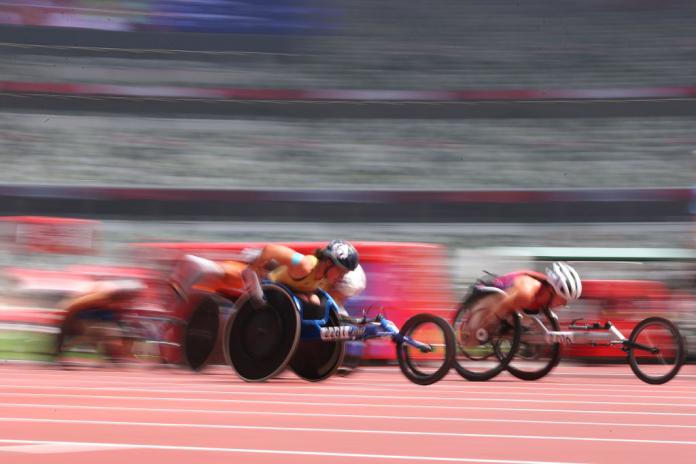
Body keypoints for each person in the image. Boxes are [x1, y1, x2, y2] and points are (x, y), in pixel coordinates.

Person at [463, 261, 582, 342]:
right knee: (471, 339)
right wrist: (485, 326)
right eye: (563, 300)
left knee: (524, 318)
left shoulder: (543, 296)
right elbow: (502, 306)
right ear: (551, 290)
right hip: (489, 294)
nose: (564, 305)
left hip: (510, 306)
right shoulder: (527, 292)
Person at [247, 240, 361, 307]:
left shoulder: (327, 280)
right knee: (308, 300)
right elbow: (270, 249)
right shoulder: (304, 265)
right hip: (271, 288)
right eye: (341, 272)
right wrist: (254, 269)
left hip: (290, 295)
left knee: (315, 301)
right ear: (329, 262)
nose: (342, 277)